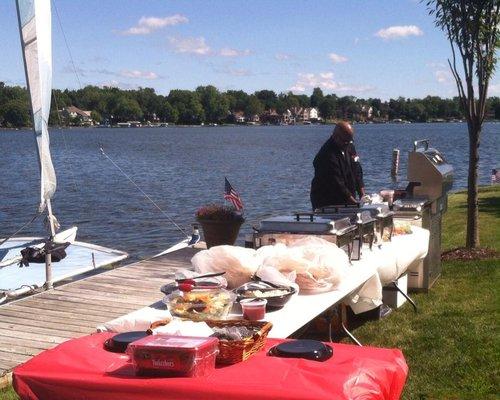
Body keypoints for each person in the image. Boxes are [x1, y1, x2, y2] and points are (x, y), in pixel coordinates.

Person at [310, 121, 364, 210]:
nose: (347, 144)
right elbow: (337, 184)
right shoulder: (326, 155)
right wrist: (355, 204)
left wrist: (363, 197)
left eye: (350, 141)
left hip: (347, 197)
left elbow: (357, 170)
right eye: (345, 141)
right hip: (326, 201)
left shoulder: (349, 146)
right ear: (335, 136)